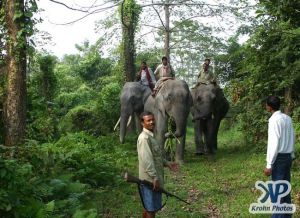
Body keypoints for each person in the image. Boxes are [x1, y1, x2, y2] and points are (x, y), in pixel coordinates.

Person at [137, 111, 179, 218]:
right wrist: (154, 177)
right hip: (149, 181)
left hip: (154, 179)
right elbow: (147, 160)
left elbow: (156, 157)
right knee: (150, 209)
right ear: (142, 123)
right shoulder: (144, 138)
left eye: (152, 119)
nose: (151, 122)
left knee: (149, 208)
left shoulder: (151, 136)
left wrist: (168, 163)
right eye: (148, 120)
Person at [264, 96, 295, 218]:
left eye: (266, 105)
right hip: (288, 157)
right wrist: (292, 154)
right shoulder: (287, 118)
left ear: (269, 107)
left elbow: (274, 143)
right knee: (285, 189)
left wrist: (268, 164)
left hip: (279, 159)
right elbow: (292, 136)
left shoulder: (273, 120)